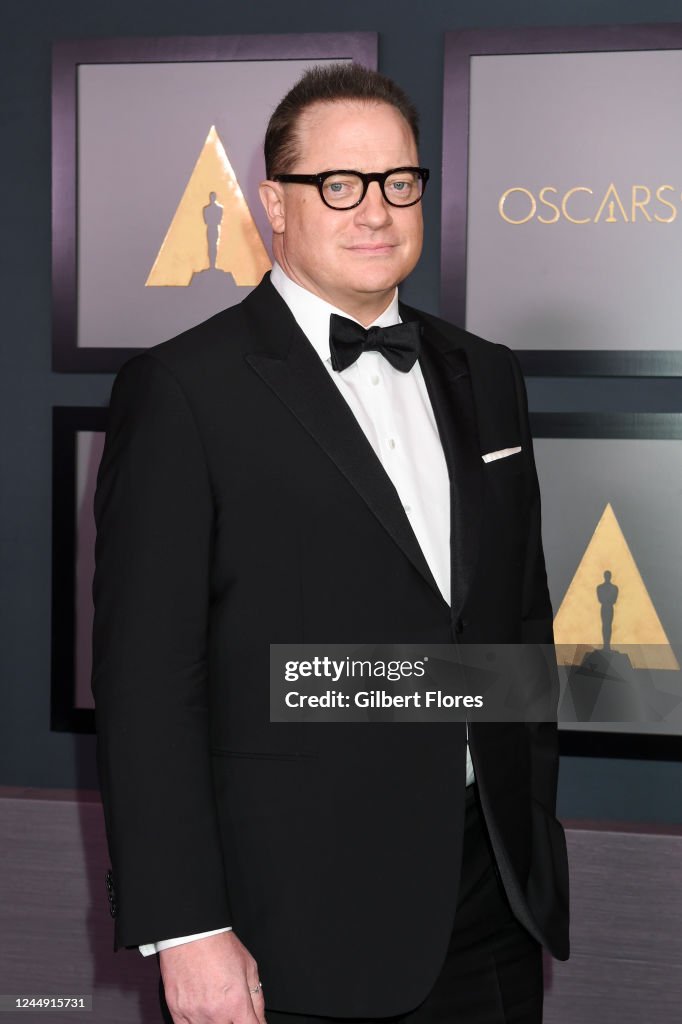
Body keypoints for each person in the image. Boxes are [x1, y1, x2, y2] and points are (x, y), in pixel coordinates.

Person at [92, 64, 569, 1024]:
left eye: (399, 181)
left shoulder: (488, 374)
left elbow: (514, 622)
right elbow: (148, 684)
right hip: (291, 923)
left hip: (491, 903)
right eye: (338, 184)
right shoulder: (184, 390)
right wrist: (188, 928)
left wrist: (526, 839)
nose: (376, 211)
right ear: (275, 203)